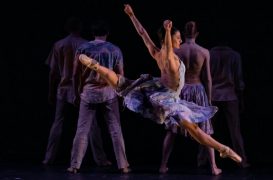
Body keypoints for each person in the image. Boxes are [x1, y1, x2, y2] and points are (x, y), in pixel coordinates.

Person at [78, 4, 242, 171]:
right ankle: (223, 149)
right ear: (170, 39)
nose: (180, 40)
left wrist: (132, 15)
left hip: (155, 89)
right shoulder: (170, 57)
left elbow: (142, 33)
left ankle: (97, 67)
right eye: (178, 38)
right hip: (167, 98)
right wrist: (168, 30)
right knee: (193, 128)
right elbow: (169, 49)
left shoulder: (156, 53)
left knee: (122, 83)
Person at [43, 17, 111, 167]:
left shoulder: (59, 44)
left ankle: (48, 158)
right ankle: (100, 159)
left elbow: (53, 72)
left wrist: (50, 91)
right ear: (80, 28)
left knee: (58, 122)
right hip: (81, 88)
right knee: (91, 124)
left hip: (63, 87)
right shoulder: (86, 45)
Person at [67, 18, 130, 174]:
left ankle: (74, 165)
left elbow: (75, 75)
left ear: (93, 33)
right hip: (109, 92)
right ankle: (123, 165)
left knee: (82, 130)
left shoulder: (83, 48)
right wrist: (122, 95)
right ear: (107, 33)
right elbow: (120, 75)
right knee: (115, 129)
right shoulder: (115, 50)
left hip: (88, 92)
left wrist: (76, 92)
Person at [159, 21, 222, 175]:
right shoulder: (204, 52)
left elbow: (166, 73)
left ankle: (162, 165)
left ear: (183, 34)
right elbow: (207, 78)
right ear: (197, 34)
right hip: (198, 90)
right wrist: (209, 100)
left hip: (180, 90)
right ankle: (213, 167)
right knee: (205, 130)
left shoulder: (176, 51)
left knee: (172, 130)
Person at [209, 41, 250, 168]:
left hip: (213, 95)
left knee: (207, 131)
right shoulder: (235, 55)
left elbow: (206, 77)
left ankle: (203, 161)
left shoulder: (209, 54)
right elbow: (238, 79)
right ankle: (242, 161)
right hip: (230, 95)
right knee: (235, 131)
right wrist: (241, 99)